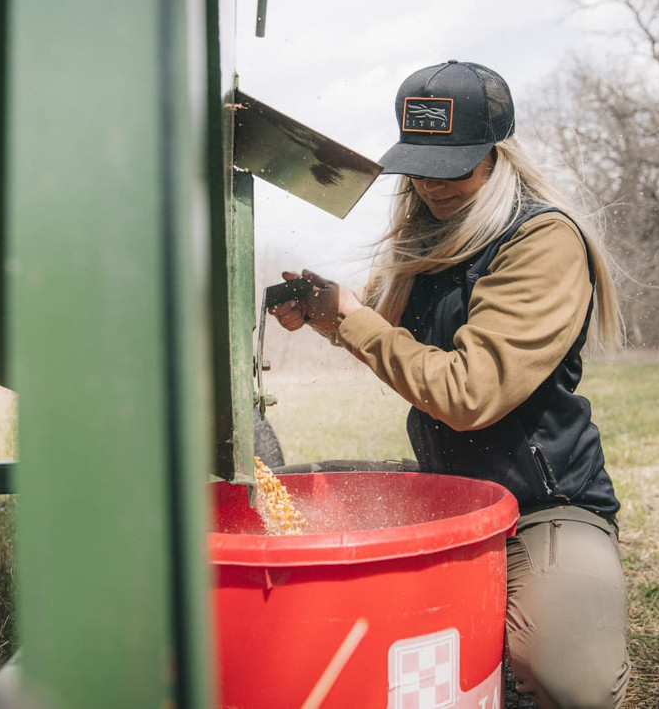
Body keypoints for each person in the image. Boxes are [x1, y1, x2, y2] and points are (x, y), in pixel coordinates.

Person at [268, 60, 630, 709]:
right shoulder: (424, 240)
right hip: (451, 494)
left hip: (541, 504)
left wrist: (352, 321)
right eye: (420, 165)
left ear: (496, 154)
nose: (433, 185)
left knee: (573, 679)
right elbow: (381, 332)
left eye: (453, 166)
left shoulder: (541, 239)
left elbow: (469, 394)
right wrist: (326, 310)